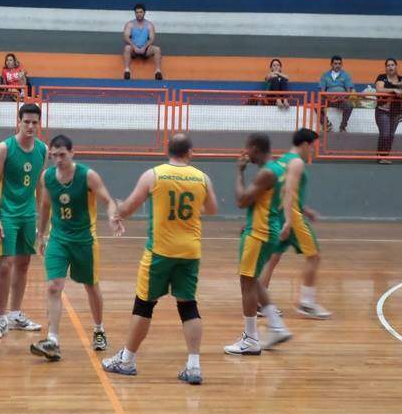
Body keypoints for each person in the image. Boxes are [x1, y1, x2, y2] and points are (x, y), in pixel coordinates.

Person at [102, 133, 218, 385]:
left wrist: (117, 210)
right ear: (190, 152)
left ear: (168, 150)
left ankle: (127, 360)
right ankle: (194, 366)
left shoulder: (154, 175)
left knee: (144, 305)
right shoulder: (202, 178)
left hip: (160, 252)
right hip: (190, 251)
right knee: (188, 306)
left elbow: (130, 208)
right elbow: (211, 209)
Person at [29, 135, 123, 361]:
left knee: (91, 287)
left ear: (72, 153)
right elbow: (44, 205)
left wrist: (113, 217)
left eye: (62, 155)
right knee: (54, 285)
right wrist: (40, 235)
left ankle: (99, 328)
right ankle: (52, 340)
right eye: (54, 156)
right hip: (59, 239)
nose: (58, 160)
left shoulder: (87, 175)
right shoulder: (47, 177)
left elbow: (108, 200)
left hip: (84, 241)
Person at [224, 133, 292, 356]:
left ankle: (251, 339)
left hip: (259, 233)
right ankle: (277, 326)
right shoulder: (280, 169)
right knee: (254, 280)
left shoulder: (266, 173)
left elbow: (241, 200)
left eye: (247, 149)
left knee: (247, 283)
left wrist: (239, 172)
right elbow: (268, 202)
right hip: (267, 227)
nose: (245, 153)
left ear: (254, 148)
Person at [0, 103, 48, 339]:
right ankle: (1, 318)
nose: (30, 126)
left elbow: (40, 186)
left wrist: (43, 222)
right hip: (7, 215)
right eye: (26, 122)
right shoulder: (4, 148)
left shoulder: (42, 149)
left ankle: (16, 314)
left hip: (28, 216)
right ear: (19, 122)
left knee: (23, 265)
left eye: (35, 122)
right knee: (5, 266)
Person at [258, 128, 331, 319]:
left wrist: (304, 208)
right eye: (313, 147)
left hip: (279, 213)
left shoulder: (282, 160)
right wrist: (290, 221)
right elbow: (289, 191)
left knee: (273, 258)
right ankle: (307, 304)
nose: (313, 151)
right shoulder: (297, 162)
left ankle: (259, 303)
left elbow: (282, 190)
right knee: (314, 257)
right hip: (291, 217)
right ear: (306, 144)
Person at [375, 58, 402, 164]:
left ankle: (384, 156)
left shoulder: (401, 79)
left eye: (392, 65)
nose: (390, 67)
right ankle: (380, 156)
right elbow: (379, 90)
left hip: (396, 111)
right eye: (388, 65)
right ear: (386, 67)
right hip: (382, 111)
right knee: (385, 133)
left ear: (396, 66)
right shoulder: (381, 77)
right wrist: (393, 90)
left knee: (391, 134)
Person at [123, 3, 163, 81]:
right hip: (134, 49)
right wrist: (134, 47)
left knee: (157, 49)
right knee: (127, 48)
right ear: (135, 13)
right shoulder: (130, 24)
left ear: (144, 13)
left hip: (145, 49)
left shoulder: (149, 25)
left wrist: (144, 48)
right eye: (137, 12)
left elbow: (152, 39)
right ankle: (127, 70)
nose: (139, 14)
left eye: (140, 12)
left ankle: (158, 71)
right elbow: (126, 37)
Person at [319, 56, 355, 132]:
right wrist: (329, 97)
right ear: (331, 64)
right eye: (335, 63)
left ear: (341, 65)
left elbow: (349, 91)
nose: (337, 65)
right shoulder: (325, 75)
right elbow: (322, 91)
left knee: (350, 105)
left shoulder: (346, 75)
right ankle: (326, 124)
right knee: (316, 104)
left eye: (339, 64)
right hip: (328, 99)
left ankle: (342, 127)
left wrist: (342, 97)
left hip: (341, 100)